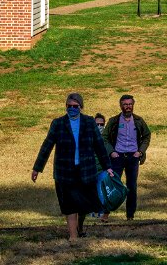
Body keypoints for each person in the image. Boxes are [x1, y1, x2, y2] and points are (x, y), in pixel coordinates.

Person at [31, 93, 113, 242]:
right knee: (69, 205)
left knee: (83, 205)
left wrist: (108, 166)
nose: (72, 109)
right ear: (66, 107)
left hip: (85, 171)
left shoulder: (89, 122)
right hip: (65, 172)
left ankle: (79, 228)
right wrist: (37, 168)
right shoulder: (58, 123)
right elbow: (47, 146)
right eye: (69, 106)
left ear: (81, 107)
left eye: (75, 106)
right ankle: (73, 236)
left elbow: (99, 146)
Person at [102, 94, 151, 221]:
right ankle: (106, 214)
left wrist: (140, 152)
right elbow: (105, 137)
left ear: (133, 105)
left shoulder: (139, 121)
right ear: (121, 106)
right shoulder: (114, 121)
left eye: (130, 104)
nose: (128, 107)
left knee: (131, 186)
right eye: (125, 104)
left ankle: (130, 216)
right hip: (117, 156)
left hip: (132, 157)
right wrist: (111, 151)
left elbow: (146, 136)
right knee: (112, 185)